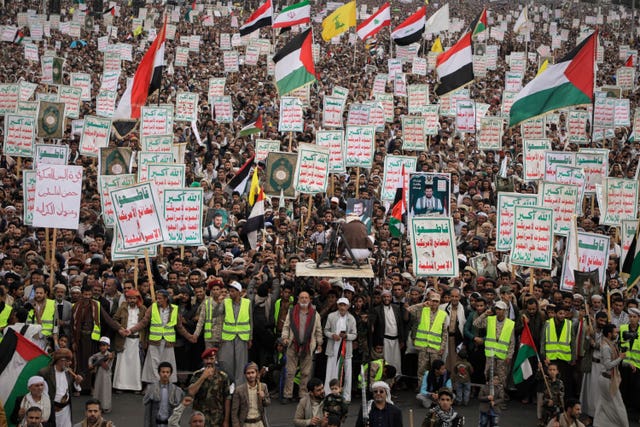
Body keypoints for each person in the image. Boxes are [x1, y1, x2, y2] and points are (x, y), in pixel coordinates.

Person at [126, 289, 194, 384]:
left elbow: (179, 327)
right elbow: (144, 322)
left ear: (166, 299)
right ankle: (155, 384)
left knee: (167, 363)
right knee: (153, 363)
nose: (158, 300)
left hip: (168, 341)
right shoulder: (152, 307)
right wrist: (131, 330)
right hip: (155, 340)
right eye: (157, 298)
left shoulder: (174, 309)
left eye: (160, 298)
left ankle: (167, 383)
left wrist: (189, 337)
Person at [280, 290, 323, 403]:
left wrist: (319, 343)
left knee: (305, 373)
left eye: (306, 297)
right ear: (298, 299)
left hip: (308, 346)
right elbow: (286, 326)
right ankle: (287, 395)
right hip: (293, 344)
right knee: (290, 372)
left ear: (309, 300)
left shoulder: (315, 314)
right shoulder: (292, 312)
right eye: (302, 297)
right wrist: (284, 337)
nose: (304, 299)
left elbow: (318, 330)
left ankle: (302, 395)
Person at [214, 281, 253, 386]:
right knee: (226, 362)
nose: (230, 293)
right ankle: (228, 384)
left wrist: (250, 338)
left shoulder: (247, 302)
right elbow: (215, 313)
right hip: (228, 336)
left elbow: (250, 321)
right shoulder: (225, 302)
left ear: (239, 292)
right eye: (229, 291)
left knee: (241, 363)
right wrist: (218, 302)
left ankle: (240, 386)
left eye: (232, 291)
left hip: (242, 336)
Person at [473, 300, 515, 396]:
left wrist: (509, 355)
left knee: (501, 377)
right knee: (488, 374)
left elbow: (512, 341)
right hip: (490, 353)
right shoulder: (490, 320)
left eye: (500, 309)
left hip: (502, 355)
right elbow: (476, 324)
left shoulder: (510, 323)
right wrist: (485, 314)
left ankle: (500, 398)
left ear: (505, 310)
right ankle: (489, 396)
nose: (498, 311)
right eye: (497, 309)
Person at [593, 323, 630, 427]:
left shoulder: (611, 344)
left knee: (604, 403)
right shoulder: (606, 347)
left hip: (609, 379)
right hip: (607, 380)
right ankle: (622, 424)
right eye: (615, 332)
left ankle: (600, 423)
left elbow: (616, 362)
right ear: (609, 334)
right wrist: (621, 358)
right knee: (618, 404)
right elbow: (608, 365)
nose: (616, 334)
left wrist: (628, 364)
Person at [407, 291, 449, 381]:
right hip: (423, 347)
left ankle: (434, 389)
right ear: (429, 301)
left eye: (436, 301)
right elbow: (409, 309)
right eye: (433, 301)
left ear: (439, 302)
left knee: (436, 370)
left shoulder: (443, 314)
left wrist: (442, 347)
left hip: (435, 348)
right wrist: (422, 304)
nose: (434, 303)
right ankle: (421, 389)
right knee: (421, 370)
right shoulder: (422, 310)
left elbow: (445, 333)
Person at [112, 289, 147, 392]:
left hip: (136, 340)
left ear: (138, 299)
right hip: (124, 340)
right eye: (130, 298)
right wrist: (120, 329)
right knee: (122, 363)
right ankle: (120, 386)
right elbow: (115, 320)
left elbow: (145, 324)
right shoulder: (122, 307)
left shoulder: (142, 309)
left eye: (134, 298)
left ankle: (136, 387)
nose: (132, 300)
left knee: (136, 364)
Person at [187, 347, 232, 427]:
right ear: (203, 360)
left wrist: (226, 420)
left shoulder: (223, 376)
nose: (209, 361)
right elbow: (191, 392)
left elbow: (227, 399)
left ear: (215, 359)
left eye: (211, 358)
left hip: (217, 418)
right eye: (206, 359)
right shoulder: (197, 375)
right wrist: (203, 377)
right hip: (200, 419)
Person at [323, 297, 357, 402]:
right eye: (340, 305)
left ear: (347, 306)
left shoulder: (351, 318)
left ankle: (346, 396)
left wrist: (346, 336)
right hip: (333, 348)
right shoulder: (331, 316)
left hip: (346, 350)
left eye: (344, 305)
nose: (342, 307)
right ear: (338, 306)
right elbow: (326, 330)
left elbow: (354, 334)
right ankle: (329, 393)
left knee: (347, 373)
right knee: (330, 371)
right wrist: (332, 335)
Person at [39, 348, 83, 427]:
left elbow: (72, 388)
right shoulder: (45, 372)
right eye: (68, 361)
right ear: (61, 360)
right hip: (51, 410)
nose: (70, 363)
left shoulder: (69, 372)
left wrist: (77, 382)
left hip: (66, 410)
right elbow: (38, 391)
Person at [369, 289, 405, 372]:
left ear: (391, 297)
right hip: (385, 340)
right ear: (382, 298)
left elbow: (400, 324)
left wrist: (401, 339)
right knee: (386, 361)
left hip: (396, 340)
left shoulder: (396, 308)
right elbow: (373, 326)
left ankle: (396, 378)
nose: (386, 298)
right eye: (384, 297)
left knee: (396, 360)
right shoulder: (377, 309)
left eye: (388, 296)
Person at [143, 361, 184, 427]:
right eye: (163, 372)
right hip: (155, 424)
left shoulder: (176, 390)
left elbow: (178, 412)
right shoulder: (151, 389)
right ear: (159, 373)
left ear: (170, 373)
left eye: (167, 372)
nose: (165, 374)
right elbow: (147, 413)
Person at [231, 362, 270, 427]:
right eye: (248, 373)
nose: (251, 375)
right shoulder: (239, 390)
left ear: (256, 373)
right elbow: (234, 413)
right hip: (246, 424)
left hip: (259, 423)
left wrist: (263, 397)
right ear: (245, 375)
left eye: (252, 372)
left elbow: (267, 403)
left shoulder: (263, 387)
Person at [88, 337, 114, 413]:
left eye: (104, 345)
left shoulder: (110, 355)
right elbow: (91, 358)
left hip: (106, 376)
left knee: (106, 391)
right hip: (98, 375)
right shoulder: (98, 354)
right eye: (101, 345)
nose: (102, 347)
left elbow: (107, 367)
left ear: (108, 346)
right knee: (98, 390)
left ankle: (106, 407)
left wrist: (106, 359)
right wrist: (90, 364)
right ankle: (96, 406)